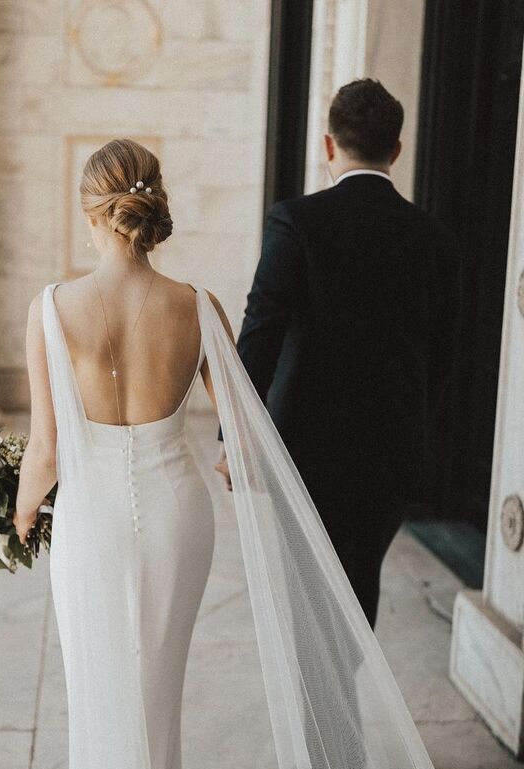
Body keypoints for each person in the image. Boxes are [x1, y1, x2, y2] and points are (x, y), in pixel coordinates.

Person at [12, 138, 524, 769]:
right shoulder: (196, 305)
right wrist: (212, 464)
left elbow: (48, 454)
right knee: (155, 701)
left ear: (89, 208)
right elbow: (244, 432)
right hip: (176, 520)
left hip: (94, 530)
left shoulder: (51, 308)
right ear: (152, 205)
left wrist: (15, 516)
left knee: (103, 711)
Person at [216, 78, 461, 628]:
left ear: (328, 145)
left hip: (305, 451)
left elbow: (261, 332)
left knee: (302, 608)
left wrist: (235, 434)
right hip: (392, 455)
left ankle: (322, 715)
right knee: (355, 598)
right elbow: (443, 359)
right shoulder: (436, 240)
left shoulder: (297, 222)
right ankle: (338, 710)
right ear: (396, 150)